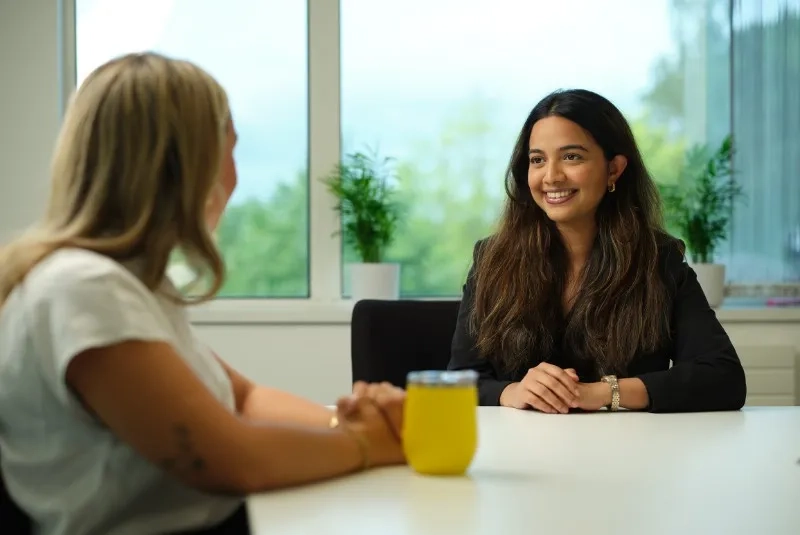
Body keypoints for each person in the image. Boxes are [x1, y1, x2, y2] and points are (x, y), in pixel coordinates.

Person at [0, 52, 405, 535]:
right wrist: (370, 444)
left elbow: (245, 398)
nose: (234, 175)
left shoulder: (133, 285)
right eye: (230, 150)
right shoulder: (83, 290)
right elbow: (231, 458)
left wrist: (349, 421)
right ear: (184, 165)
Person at [447, 88, 747, 415]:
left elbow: (724, 377)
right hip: (521, 454)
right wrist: (513, 392)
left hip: (628, 454)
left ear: (614, 169)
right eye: (537, 160)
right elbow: (461, 380)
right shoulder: (493, 259)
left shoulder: (658, 260)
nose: (551, 176)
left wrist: (604, 392)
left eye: (572, 156)